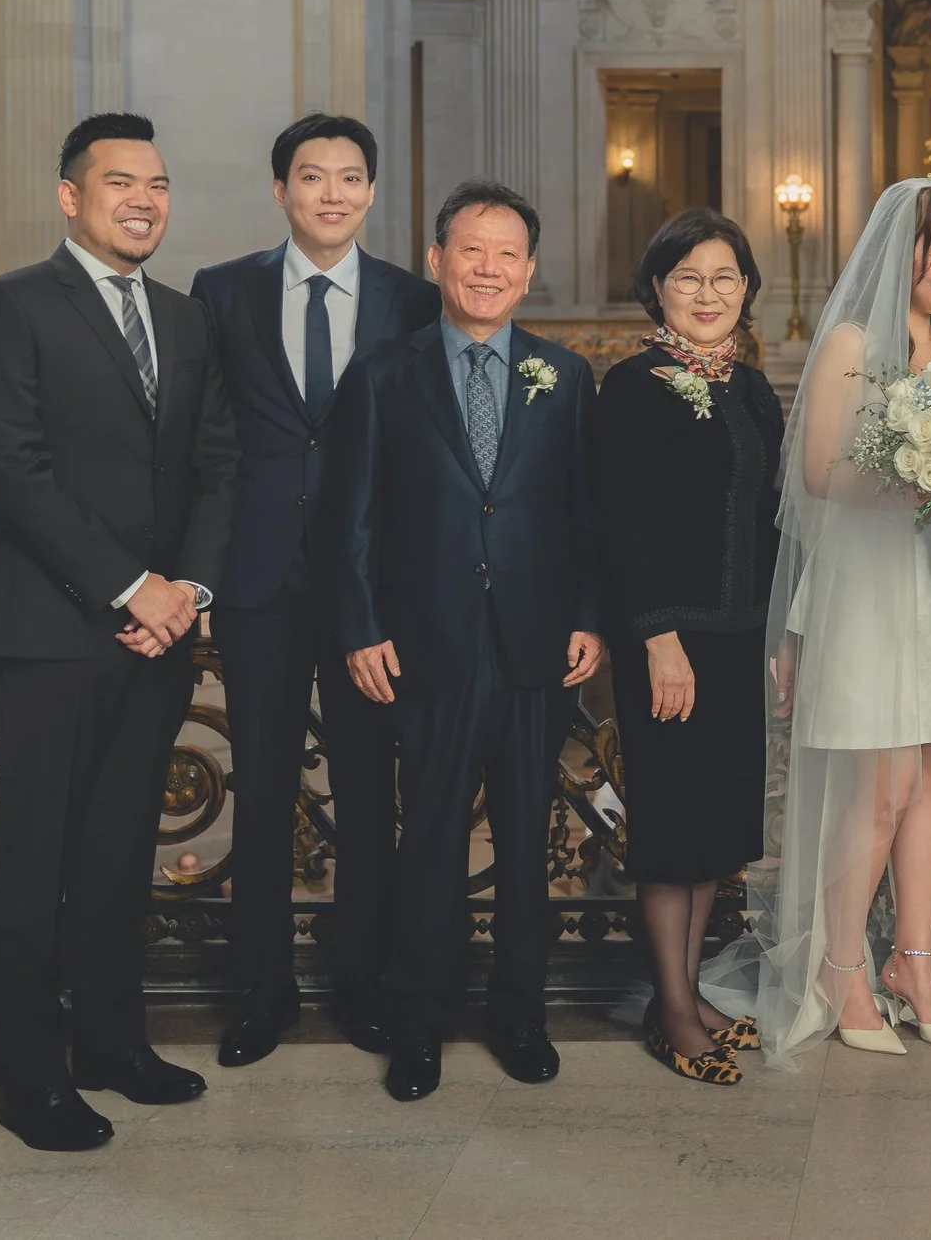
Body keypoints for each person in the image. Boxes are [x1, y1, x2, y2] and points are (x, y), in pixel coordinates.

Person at [0, 112, 238, 1152]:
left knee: (121, 852)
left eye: (158, 183)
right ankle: (31, 1077)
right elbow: (11, 468)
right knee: (32, 858)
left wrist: (190, 590)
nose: (145, 200)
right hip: (49, 631)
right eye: (121, 182)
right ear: (70, 196)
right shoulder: (10, 305)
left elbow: (216, 463)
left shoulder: (186, 316)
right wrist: (131, 587)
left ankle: (114, 1043)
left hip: (160, 636)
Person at [734, 178, 931, 1066]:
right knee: (877, 788)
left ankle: (915, 965)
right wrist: (922, 480)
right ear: (899, 254)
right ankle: (843, 969)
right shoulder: (850, 341)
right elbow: (814, 475)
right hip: (872, 585)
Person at [323, 180, 604, 1102]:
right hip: (427, 647)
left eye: (507, 253)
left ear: (529, 270)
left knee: (530, 840)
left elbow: (582, 516)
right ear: (438, 260)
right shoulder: (383, 372)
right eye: (470, 250)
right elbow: (352, 517)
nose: (489, 268)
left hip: (532, 648)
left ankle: (521, 1015)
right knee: (430, 840)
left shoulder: (563, 376)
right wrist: (361, 626)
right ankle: (420, 1024)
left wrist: (589, 616)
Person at [190, 114, 439, 1069]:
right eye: (311, 176)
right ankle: (262, 991)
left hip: (372, 593)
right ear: (281, 190)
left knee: (371, 793)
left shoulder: (413, 301)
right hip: (258, 582)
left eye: (348, 178)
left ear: (372, 192)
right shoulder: (224, 292)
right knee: (260, 793)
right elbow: (206, 441)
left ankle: (363, 985)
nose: (331, 193)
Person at [589, 209, 783, 1085]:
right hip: (668, 640)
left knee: (716, 823)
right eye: (689, 278)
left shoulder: (750, 388)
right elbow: (622, 525)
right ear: (657, 289)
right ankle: (670, 1011)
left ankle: (692, 987)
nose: (708, 294)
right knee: (671, 823)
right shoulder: (634, 386)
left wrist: (777, 633)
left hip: (740, 636)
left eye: (725, 278)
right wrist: (659, 638)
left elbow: (768, 519)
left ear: (746, 290)